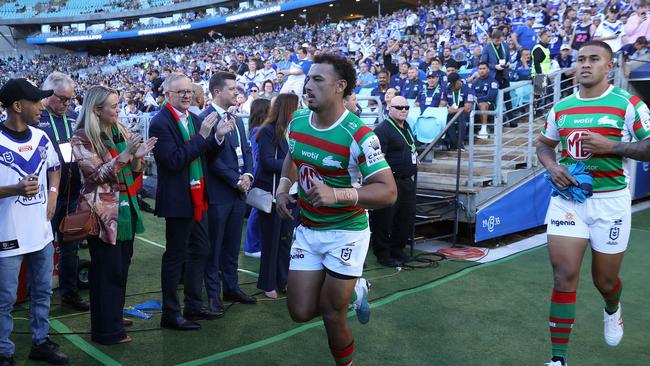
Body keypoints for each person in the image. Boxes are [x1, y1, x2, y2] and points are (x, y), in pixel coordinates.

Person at [275, 53, 397, 366]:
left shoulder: (359, 135)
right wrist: (282, 188)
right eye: (308, 78)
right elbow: (293, 155)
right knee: (299, 312)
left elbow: (388, 191)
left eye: (318, 79)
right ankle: (356, 290)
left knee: (332, 314)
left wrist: (337, 194)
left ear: (340, 86)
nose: (308, 85)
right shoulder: (299, 120)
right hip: (308, 230)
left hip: (346, 233)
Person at [535, 40, 650, 366]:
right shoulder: (561, 107)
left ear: (608, 66)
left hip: (610, 203)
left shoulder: (628, 104)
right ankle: (558, 360)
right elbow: (544, 145)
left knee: (605, 281)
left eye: (594, 59)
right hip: (568, 200)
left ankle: (612, 309)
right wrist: (553, 166)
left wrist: (611, 146)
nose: (585, 64)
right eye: (581, 59)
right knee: (564, 274)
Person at [71, 85, 156, 345]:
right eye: (114, 106)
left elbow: (134, 171)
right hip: (102, 214)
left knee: (120, 269)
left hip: (125, 209)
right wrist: (126, 155)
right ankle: (106, 331)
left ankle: (113, 317)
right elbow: (96, 175)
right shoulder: (82, 137)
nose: (118, 110)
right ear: (97, 110)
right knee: (106, 273)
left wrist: (139, 157)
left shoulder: (119, 129)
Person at [149, 73, 235, 331]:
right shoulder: (159, 122)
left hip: (198, 196)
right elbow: (173, 160)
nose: (187, 95)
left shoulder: (195, 119)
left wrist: (217, 137)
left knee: (200, 249)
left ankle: (193, 305)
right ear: (167, 95)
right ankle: (170, 313)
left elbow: (207, 155)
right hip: (179, 200)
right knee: (176, 256)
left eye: (189, 91)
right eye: (180, 92)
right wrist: (204, 136)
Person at [0, 78, 68, 365]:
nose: (41, 106)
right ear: (17, 106)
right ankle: (3, 351)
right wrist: (14, 189)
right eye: (36, 101)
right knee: (4, 300)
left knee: (41, 292)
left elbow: (55, 167)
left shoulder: (41, 136)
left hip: (40, 230)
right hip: (7, 234)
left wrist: (52, 194)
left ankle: (40, 342)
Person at [200, 71, 257, 313]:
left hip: (237, 193)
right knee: (214, 248)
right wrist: (236, 179)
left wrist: (248, 176)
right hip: (218, 195)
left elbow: (247, 151)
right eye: (232, 89)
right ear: (217, 92)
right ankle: (213, 295)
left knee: (233, 245)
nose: (237, 93)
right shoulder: (205, 118)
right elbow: (210, 158)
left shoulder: (237, 118)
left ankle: (231, 286)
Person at [36, 72, 89, 312]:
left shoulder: (72, 118)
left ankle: (69, 294)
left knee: (70, 249)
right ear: (48, 95)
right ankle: (39, 298)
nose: (67, 104)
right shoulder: (35, 118)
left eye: (71, 99)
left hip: (72, 194)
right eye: (62, 99)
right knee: (43, 251)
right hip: (44, 196)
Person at [254, 93, 299, 299]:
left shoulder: (295, 131)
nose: (300, 110)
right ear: (287, 109)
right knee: (271, 241)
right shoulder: (268, 131)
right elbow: (265, 162)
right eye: (296, 107)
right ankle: (267, 282)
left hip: (291, 194)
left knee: (285, 239)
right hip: (272, 195)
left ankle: (284, 280)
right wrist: (294, 164)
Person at [369, 96, 417, 268]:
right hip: (390, 181)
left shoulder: (406, 127)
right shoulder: (383, 130)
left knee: (405, 217)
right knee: (385, 218)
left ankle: (398, 250)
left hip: (406, 181)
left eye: (406, 107)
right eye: (399, 107)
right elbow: (377, 159)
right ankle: (382, 253)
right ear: (389, 108)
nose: (404, 110)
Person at [243, 98, 271, 258]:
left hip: (260, 172)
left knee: (260, 209)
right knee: (258, 208)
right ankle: (252, 246)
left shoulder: (258, 129)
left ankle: (255, 244)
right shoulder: (258, 131)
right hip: (260, 173)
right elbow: (259, 156)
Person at [444, 72, 474, 151]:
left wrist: (456, 110)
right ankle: (453, 143)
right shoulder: (448, 88)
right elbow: (442, 103)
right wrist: (447, 106)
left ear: (459, 81)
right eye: (451, 85)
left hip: (464, 113)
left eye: (454, 85)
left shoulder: (468, 89)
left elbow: (468, 108)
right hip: (451, 112)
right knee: (446, 119)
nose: (452, 87)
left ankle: (460, 144)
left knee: (461, 118)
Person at [472, 62, 499, 140]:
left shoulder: (493, 81)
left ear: (488, 70)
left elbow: (490, 97)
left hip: (489, 105)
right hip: (475, 104)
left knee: (482, 105)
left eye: (484, 68)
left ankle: (484, 130)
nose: (482, 70)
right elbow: (471, 94)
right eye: (480, 69)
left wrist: (478, 99)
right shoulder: (475, 82)